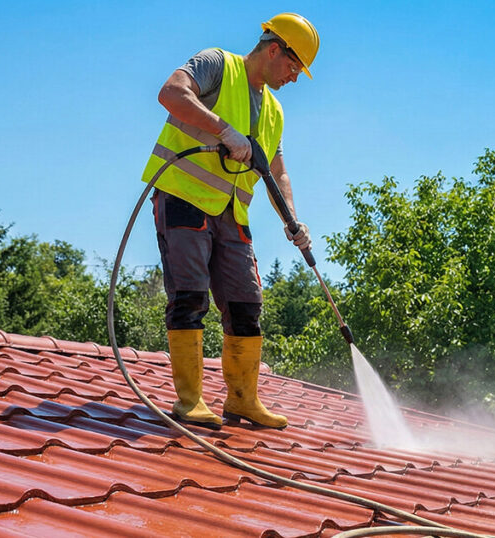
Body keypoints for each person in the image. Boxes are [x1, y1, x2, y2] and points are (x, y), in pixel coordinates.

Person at [142, 13, 319, 429]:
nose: (294, 78)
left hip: (231, 214)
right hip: (184, 198)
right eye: (294, 67)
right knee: (189, 297)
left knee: (246, 305)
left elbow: (277, 172)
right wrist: (223, 130)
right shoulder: (217, 64)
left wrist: (293, 220)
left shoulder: (273, 111)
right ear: (274, 49)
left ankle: (242, 400)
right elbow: (171, 93)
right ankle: (189, 402)